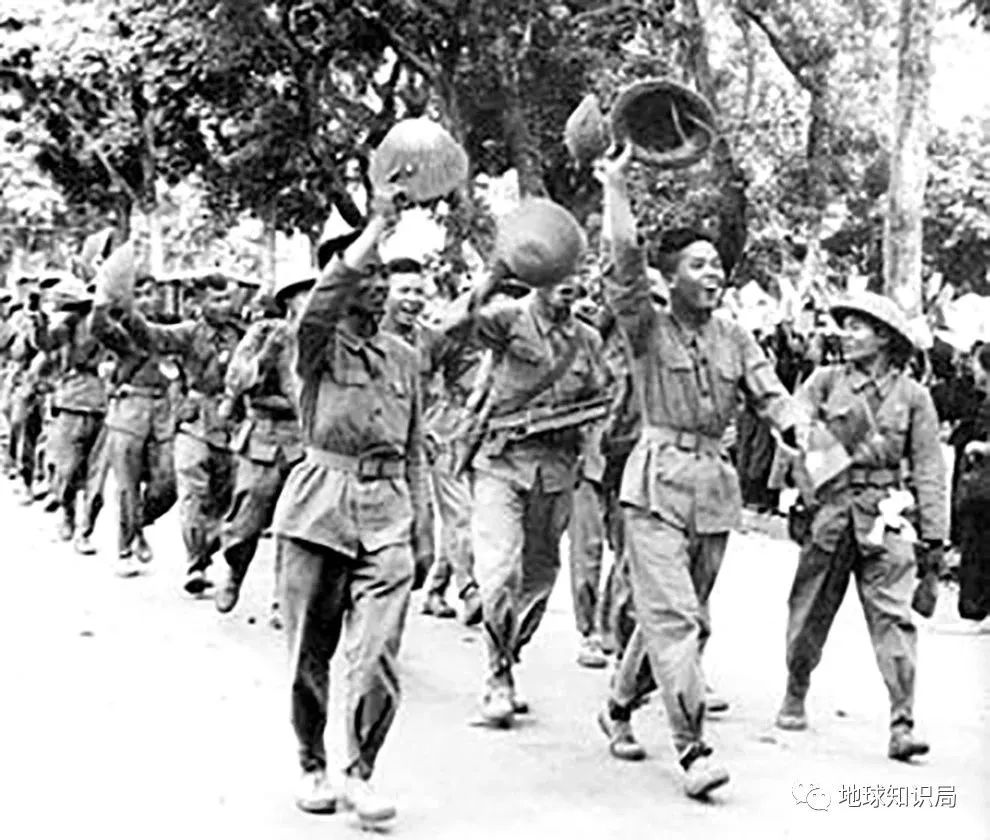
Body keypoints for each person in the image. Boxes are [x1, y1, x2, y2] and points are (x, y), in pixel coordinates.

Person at [596, 146, 802, 798]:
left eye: (716, 265)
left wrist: (799, 433)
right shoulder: (645, 328)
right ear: (670, 277)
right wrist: (616, 187)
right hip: (655, 488)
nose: (713, 274)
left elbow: (772, 396)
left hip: (713, 490)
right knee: (677, 621)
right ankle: (692, 751)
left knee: (683, 622)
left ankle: (619, 703)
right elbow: (623, 264)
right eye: (698, 265)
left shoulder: (736, 337)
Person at [270, 186, 431, 825]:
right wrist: (374, 230)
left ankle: (361, 771)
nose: (380, 285)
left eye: (385, 275)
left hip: (388, 512)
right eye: (369, 275)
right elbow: (322, 303)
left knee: (378, 653)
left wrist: (423, 526)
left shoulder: (405, 358)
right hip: (319, 508)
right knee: (309, 654)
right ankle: (311, 760)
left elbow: (415, 448)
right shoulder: (315, 343)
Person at [440, 198, 608, 728]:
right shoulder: (508, 318)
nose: (570, 286)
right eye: (560, 275)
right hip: (502, 463)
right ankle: (496, 675)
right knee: (499, 573)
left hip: (556, 471)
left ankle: (509, 656)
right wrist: (494, 274)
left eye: (576, 276)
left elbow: (603, 398)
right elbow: (454, 327)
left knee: (538, 577)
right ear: (539, 276)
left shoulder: (587, 340)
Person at [775, 292, 947, 763]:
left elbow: (929, 467)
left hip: (885, 515)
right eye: (845, 326)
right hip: (831, 512)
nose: (845, 335)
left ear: (885, 338)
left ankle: (902, 722)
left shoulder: (913, 397)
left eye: (857, 327)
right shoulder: (825, 381)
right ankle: (796, 685)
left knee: (894, 617)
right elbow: (793, 433)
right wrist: (801, 489)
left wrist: (934, 537)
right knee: (810, 609)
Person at [100, 274, 245, 593]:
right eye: (215, 300)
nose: (223, 306)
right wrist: (127, 313)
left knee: (225, 498)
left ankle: (204, 549)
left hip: (231, 425)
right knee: (192, 490)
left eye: (226, 299)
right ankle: (195, 564)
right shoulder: (189, 333)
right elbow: (153, 336)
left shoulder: (242, 335)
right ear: (198, 303)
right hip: (194, 421)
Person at [212, 273, 312, 621]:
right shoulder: (264, 332)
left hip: (306, 440)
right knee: (246, 521)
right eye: (305, 294)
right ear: (289, 301)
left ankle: (283, 599)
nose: (312, 300)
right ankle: (234, 572)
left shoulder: (326, 337)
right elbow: (236, 378)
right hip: (264, 437)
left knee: (296, 524)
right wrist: (266, 357)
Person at [90, 273, 178, 576]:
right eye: (137, 295)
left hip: (164, 409)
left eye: (150, 293)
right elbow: (99, 328)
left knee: (168, 482)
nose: (146, 300)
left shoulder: (171, 328)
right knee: (128, 485)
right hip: (130, 410)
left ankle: (139, 523)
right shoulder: (122, 331)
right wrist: (102, 303)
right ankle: (125, 548)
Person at [950, 343, 990, 625]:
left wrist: (980, 448)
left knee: (980, 546)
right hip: (981, 490)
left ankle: (978, 604)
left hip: (984, 490)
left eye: (976, 366)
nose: (972, 371)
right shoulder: (983, 400)